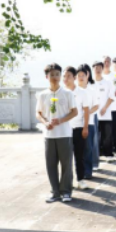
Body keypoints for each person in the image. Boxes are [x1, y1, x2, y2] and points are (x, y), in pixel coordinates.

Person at [36, 64, 78, 204]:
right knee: (51, 165)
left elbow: (75, 112)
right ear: (47, 77)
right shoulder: (43, 95)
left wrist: (61, 120)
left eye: (57, 74)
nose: (55, 77)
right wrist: (45, 122)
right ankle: (55, 192)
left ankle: (66, 192)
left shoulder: (67, 93)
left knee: (66, 165)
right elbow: (38, 113)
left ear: (60, 76)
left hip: (64, 134)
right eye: (52, 74)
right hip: (49, 135)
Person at [63, 67, 92, 191]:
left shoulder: (82, 92)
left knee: (79, 156)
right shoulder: (61, 92)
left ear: (74, 78)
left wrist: (85, 127)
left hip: (78, 128)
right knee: (65, 158)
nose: (65, 79)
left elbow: (86, 111)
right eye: (64, 76)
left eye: (68, 76)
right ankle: (67, 181)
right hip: (64, 129)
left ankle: (80, 179)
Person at [77, 64, 99, 180]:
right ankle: (78, 172)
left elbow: (96, 106)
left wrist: (87, 112)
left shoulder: (92, 91)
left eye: (83, 75)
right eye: (79, 75)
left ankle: (88, 171)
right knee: (77, 150)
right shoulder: (72, 91)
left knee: (88, 149)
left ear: (87, 76)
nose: (81, 77)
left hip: (89, 123)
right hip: (75, 124)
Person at [93, 61, 116, 161]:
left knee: (107, 134)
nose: (98, 70)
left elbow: (112, 96)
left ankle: (108, 154)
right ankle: (97, 154)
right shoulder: (90, 83)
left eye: (99, 68)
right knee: (95, 136)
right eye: (96, 68)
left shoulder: (108, 82)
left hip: (106, 112)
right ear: (93, 69)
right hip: (93, 114)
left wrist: (105, 108)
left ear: (102, 69)